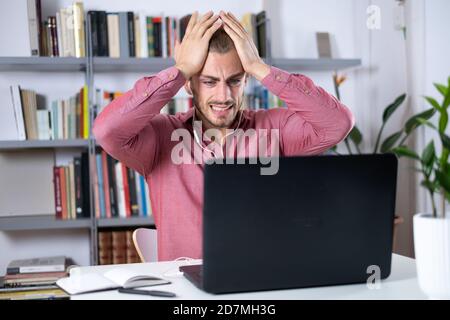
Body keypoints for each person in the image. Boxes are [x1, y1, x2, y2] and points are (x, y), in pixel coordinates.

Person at [92, 11, 354, 261]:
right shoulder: (161, 137)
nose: (224, 97)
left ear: (246, 80)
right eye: (209, 81)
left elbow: (337, 124)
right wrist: (180, 70)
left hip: (262, 286)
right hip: (186, 292)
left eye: (234, 80)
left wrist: (260, 67)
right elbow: (107, 131)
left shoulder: (275, 128)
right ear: (189, 84)